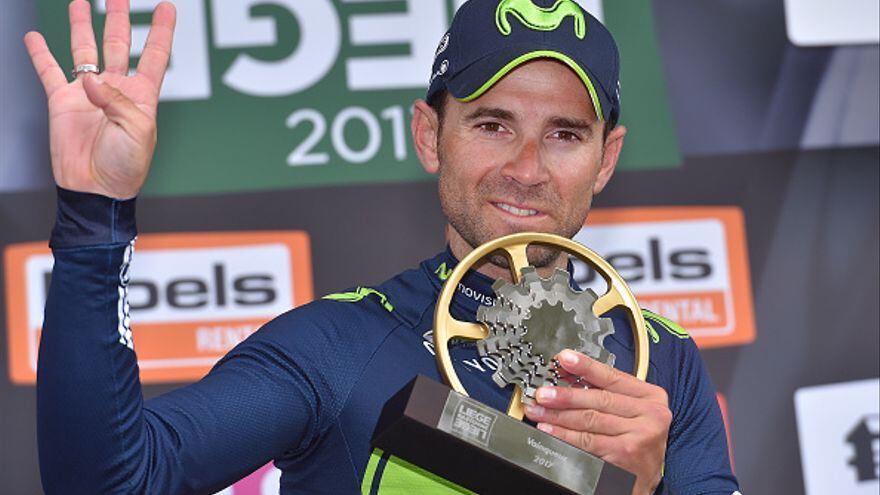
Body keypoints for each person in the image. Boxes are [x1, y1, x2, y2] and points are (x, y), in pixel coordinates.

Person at [25, 0, 740, 494]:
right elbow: (110, 480)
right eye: (493, 124)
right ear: (430, 135)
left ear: (606, 158)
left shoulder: (661, 364)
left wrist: (642, 487)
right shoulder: (340, 346)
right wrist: (96, 214)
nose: (526, 166)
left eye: (564, 134)